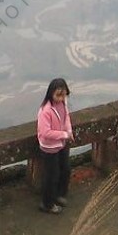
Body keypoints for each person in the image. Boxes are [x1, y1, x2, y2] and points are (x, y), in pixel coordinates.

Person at [36, 77, 73, 213]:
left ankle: (59, 195)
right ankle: (47, 203)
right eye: (58, 95)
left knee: (66, 169)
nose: (61, 98)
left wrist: (69, 130)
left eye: (63, 94)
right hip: (49, 147)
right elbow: (45, 133)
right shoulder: (45, 111)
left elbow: (66, 117)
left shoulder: (63, 103)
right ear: (51, 93)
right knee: (52, 176)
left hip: (61, 144)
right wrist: (64, 135)